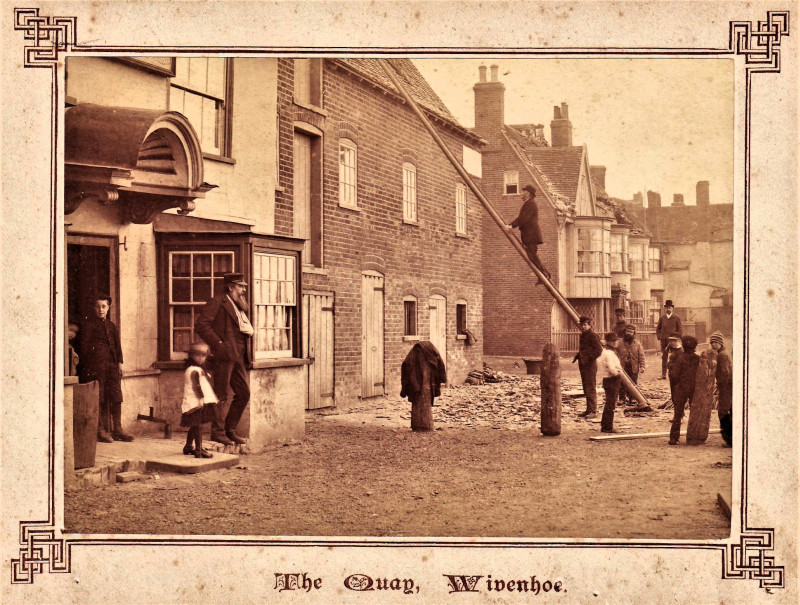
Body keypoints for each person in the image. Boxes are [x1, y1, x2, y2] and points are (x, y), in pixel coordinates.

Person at [195, 273, 254, 446]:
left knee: (244, 393)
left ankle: (230, 430)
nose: (243, 290)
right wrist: (219, 344)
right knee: (221, 394)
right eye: (240, 286)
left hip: (238, 357)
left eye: (243, 287)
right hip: (223, 356)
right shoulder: (217, 302)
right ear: (230, 287)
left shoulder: (239, 306)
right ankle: (218, 432)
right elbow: (201, 325)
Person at [78, 295, 134, 443]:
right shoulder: (88, 325)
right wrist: (90, 366)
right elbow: (83, 348)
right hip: (96, 367)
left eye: (104, 306)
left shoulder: (111, 326)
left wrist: (119, 363)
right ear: (93, 308)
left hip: (112, 366)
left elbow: (117, 346)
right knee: (100, 397)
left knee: (116, 396)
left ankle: (118, 429)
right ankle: (100, 430)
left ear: (108, 308)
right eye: (98, 306)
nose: (101, 310)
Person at [506, 184, 552, 284]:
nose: (521, 194)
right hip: (529, 235)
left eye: (523, 192)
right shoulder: (529, 203)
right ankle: (544, 274)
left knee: (532, 256)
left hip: (531, 235)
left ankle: (544, 274)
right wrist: (511, 225)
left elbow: (523, 218)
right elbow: (522, 217)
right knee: (532, 256)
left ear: (528, 194)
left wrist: (511, 225)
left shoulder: (530, 204)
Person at [180, 342, 218, 459]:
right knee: (198, 426)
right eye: (197, 355)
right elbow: (196, 386)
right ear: (191, 356)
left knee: (195, 425)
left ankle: (188, 446)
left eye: (203, 356)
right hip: (196, 401)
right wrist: (201, 398)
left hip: (194, 401)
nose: (201, 358)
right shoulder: (194, 370)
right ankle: (198, 450)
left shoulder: (195, 369)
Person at [668, 335, 699, 445]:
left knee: (678, 414)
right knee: (694, 412)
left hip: (681, 388)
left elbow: (675, 375)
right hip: (694, 389)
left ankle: (674, 438)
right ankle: (694, 437)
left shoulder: (680, 358)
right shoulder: (697, 359)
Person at [573, 316, 603, 418]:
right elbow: (585, 349)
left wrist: (589, 358)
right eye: (581, 325)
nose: (583, 326)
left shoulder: (593, 335)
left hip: (590, 364)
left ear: (590, 325)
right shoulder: (583, 335)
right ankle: (588, 409)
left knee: (590, 387)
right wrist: (580, 355)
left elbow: (599, 350)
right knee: (586, 387)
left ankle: (593, 411)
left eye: (585, 324)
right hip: (583, 364)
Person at [596, 332, 624, 433]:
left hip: (607, 379)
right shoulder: (609, 353)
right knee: (611, 403)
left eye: (615, 341)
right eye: (613, 341)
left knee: (609, 402)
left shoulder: (604, 352)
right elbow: (611, 368)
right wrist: (617, 374)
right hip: (612, 379)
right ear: (608, 342)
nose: (615, 343)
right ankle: (608, 426)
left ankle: (605, 424)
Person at [710, 331, 733, 447]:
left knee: (723, 412)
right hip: (729, 387)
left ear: (720, 343)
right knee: (730, 411)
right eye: (712, 343)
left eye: (715, 343)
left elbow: (725, 373)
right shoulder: (725, 353)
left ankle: (729, 439)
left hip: (726, 387)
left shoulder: (722, 355)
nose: (713, 345)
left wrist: (720, 388)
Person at [617, 323, 646, 406]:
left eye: (631, 332)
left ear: (634, 333)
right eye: (627, 331)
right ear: (625, 331)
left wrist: (642, 366)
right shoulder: (619, 342)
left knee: (633, 382)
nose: (629, 333)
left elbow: (641, 356)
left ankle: (632, 398)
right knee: (622, 383)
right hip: (623, 366)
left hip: (634, 367)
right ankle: (622, 398)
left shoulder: (637, 344)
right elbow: (615, 353)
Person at [656, 300, 682, 379]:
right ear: (665, 308)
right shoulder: (662, 318)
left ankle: (675, 373)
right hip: (664, 341)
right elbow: (658, 329)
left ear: (672, 308)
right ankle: (664, 374)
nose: (668, 309)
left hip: (674, 341)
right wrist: (660, 336)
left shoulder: (676, 318)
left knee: (675, 356)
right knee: (664, 357)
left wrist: (678, 339)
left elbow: (680, 330)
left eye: (670, 308)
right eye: (667, 308)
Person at [666, 332, 684, 405]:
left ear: (679, 341)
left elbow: (679, 364)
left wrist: (670, 365)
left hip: (678, 376)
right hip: (672, 374)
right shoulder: (673, 349)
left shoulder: (680, 351)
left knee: (677, 395)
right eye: (671, 341)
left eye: (674, 341)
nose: (672, 343)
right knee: (673, 393)